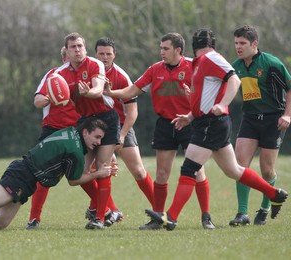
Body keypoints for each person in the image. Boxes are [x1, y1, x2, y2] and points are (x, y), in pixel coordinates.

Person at [143, 28, 288, 231]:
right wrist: (190, 116)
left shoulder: (212, 58)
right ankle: (275, 194)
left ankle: (171, 217)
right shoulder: (200, 63)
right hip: (207, 121)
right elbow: (207, 95)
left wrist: (223, 104)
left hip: (212, 123)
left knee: (189, 168)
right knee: (234, 170)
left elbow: (234, 79)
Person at [103, 33, 214, 230]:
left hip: (190, 123)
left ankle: (206, 217)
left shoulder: (194, 66)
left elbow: (209, 93)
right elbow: (132, 90)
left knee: (197, 172)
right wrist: (111, 93)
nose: (161, 52)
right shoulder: (155, 69)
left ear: (178, 50)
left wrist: (194, 100)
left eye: (165, 48)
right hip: (165, 125)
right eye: (160, 48)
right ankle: (158, 218)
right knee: (161, 174)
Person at [83, 37, 155, 224]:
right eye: (101, 54)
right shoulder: (89, 71)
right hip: (95, 127)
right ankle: (106, 211)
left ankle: (161, 210)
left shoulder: (121, 76)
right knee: (94, 170)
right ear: (95, 54)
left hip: (121, 126)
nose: (105, 57)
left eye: (108, 54)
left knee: (138, 171)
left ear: (114, 54)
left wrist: (121, 136)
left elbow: (132, 112)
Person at [54, 32, 121, 229]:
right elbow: (48, 95)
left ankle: (99, 218)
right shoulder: (60, 75)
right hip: (85, 122)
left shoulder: (94, 64)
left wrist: (88, 93)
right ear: (66, 51)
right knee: (79, 172)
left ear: (85, 48)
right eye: (73, 47)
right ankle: (108, 211)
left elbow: (98, 89)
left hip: (106, 117)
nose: (77, 50)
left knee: (103, 165)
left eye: (80, 46)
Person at [229, 25, 291, 226]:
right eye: (236, 43)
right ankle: (242, 214)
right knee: (240, 165)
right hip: (250, 118)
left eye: (243, 43)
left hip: (274, 120)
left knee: (266, 170)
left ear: (254, 44)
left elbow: (290, 89)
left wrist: (288, 115)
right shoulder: (235, 66)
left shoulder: (271, 63)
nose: (238, 47)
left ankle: (266, 206)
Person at [25, 46, 80, 230]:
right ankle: (34, 218)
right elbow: (37, 101)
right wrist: (54, 96)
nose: (70, 59)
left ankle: (106, 210)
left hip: (77, 130)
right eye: (67, 55)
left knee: (82, 172)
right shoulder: (53, 76)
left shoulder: (85, 73)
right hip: (53, 129)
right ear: (64, 57)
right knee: (43, 174)